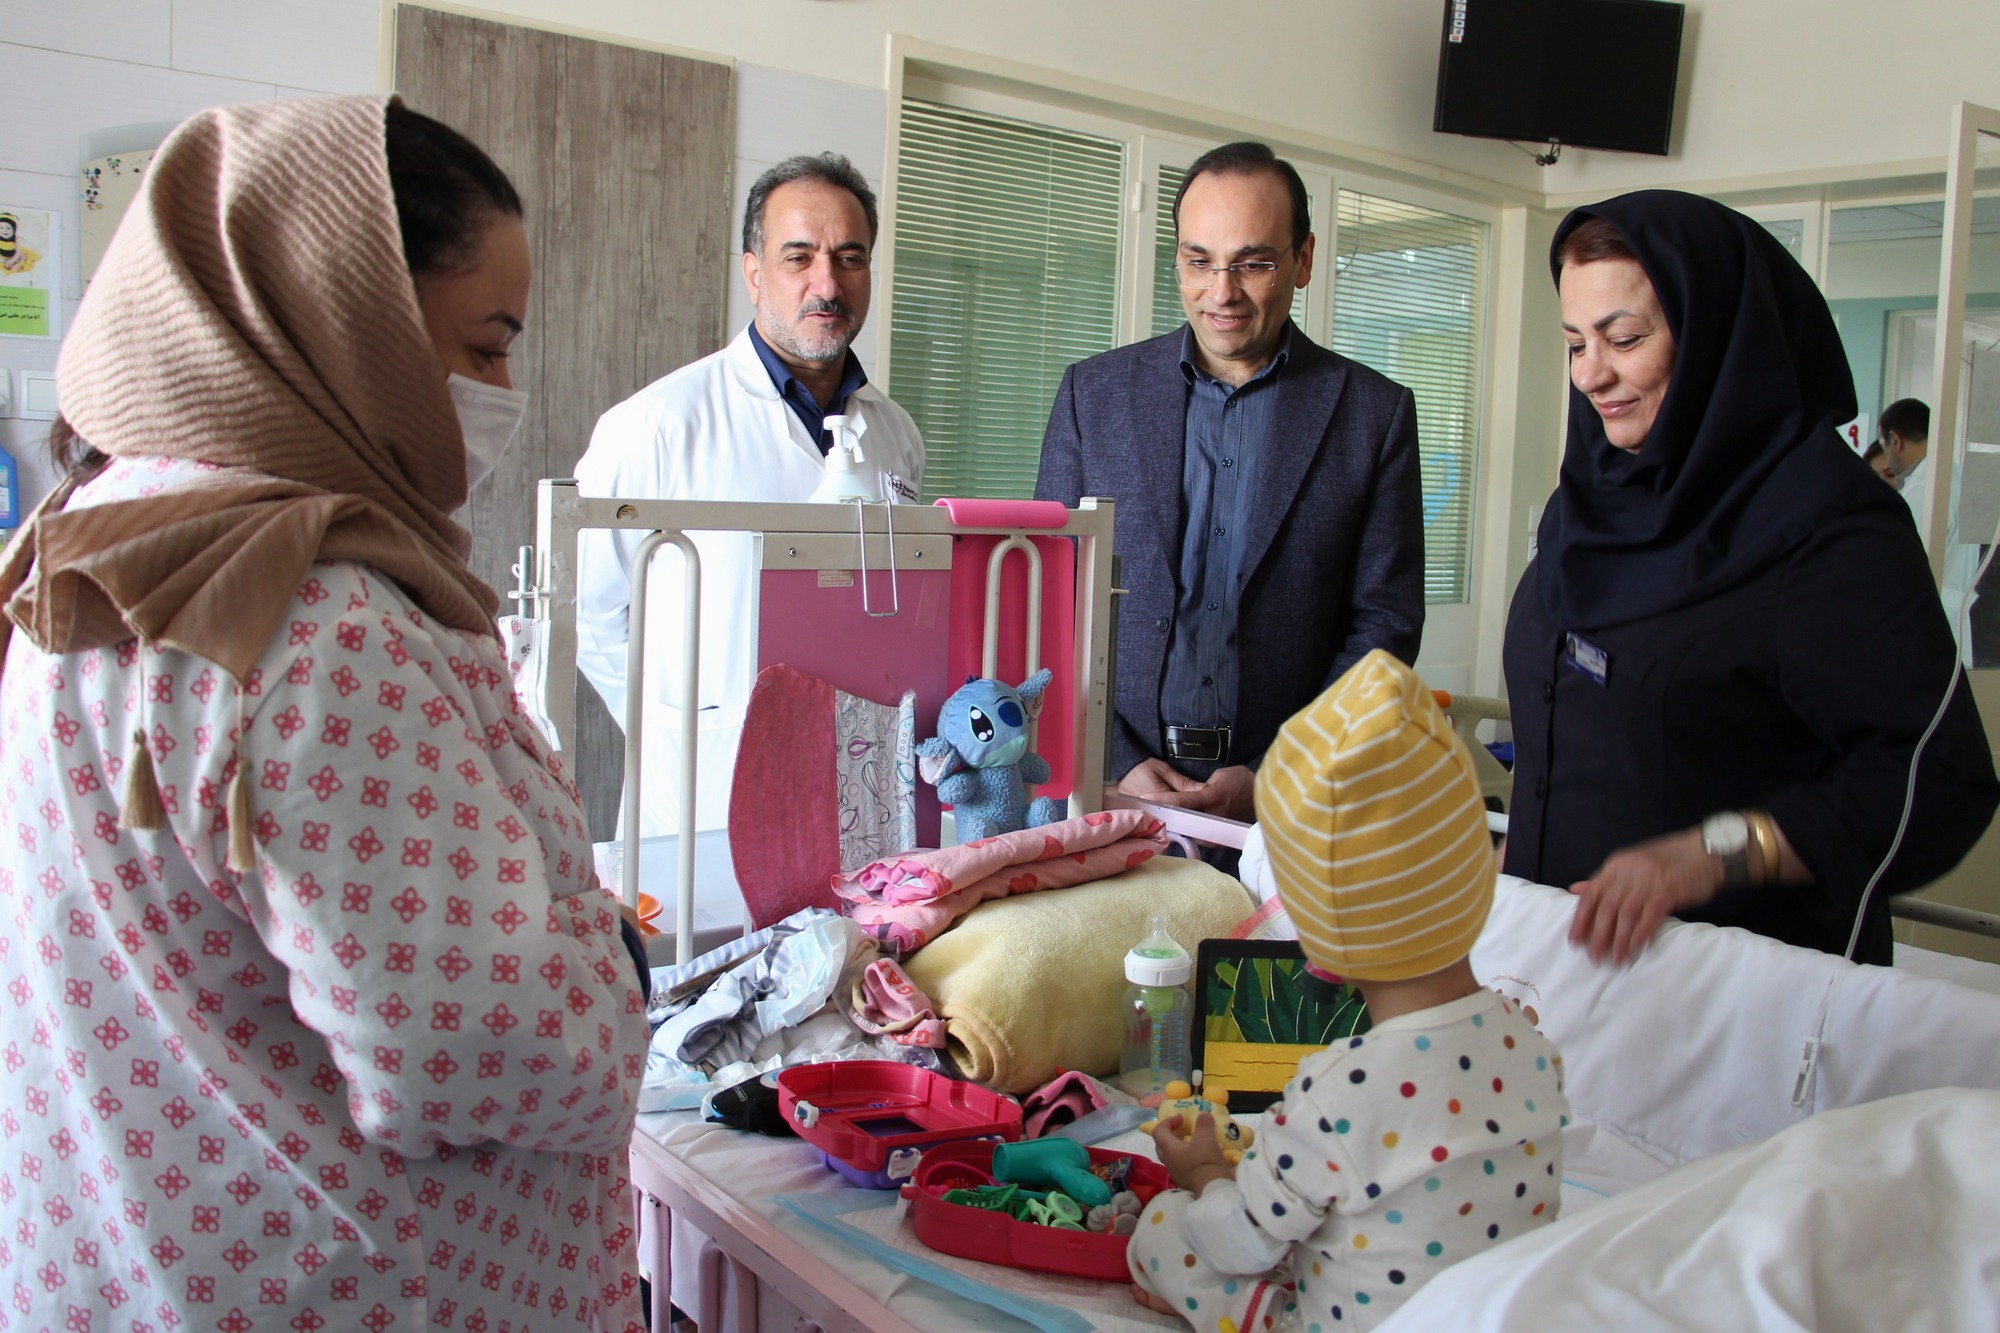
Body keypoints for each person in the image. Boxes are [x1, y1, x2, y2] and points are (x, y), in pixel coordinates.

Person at [0, 98, 650, 1330]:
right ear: (349, 322)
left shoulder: (86, 547)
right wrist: (611, 965)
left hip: (130, 1255)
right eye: (487, 346)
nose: (502, 392)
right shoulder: (313, 618)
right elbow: (478, 1047)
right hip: (352, 1278)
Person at [1502, 191, 1999, 968]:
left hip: (1735, 986)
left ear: (1714, 335)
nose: (1591, 374)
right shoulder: (1590, 504)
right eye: (1575, 343)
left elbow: (1938, 781)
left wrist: (1717, 853)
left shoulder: (1828, 529)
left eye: (1624, 338)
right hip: (1563, 971)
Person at [1129, 651, 1568, 1332]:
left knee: (1166, 1225)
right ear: (1480, 884)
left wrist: (1208, 1174)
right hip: (1488, 1314)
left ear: (1321, 944)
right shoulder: (1534, 1047)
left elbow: (1241, 1244)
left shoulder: (1336, 1090)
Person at [1036, 141, 1424, 824]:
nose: (1222, 292)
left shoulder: (1374, 414)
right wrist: (1114, 758)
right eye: (1199, 261)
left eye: (1253, 264)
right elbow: (1046, 594)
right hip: (1110, 790)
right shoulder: (1092, 395)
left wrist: (1283, 771)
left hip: (1294, 807)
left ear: (1303, 260)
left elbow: (1385, 627)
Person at [575, 152, 923, 837]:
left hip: (861, 789)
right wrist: (682, 732)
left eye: (850, 258)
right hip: (701, 795)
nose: (828, 283)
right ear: (754, 272)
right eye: (799, 256)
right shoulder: (655, 426)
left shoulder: (896, 433)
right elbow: (589, 616)